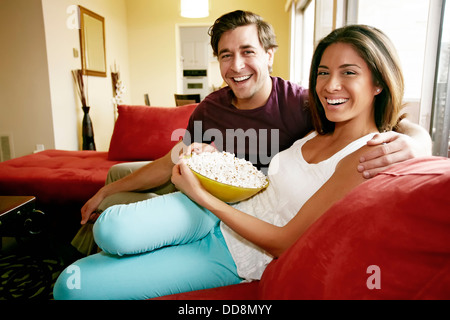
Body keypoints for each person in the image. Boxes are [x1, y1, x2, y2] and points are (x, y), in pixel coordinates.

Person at [55, 24, 409, 300]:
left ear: (378, 81)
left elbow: (284, 243)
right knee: (109, 228)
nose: (331, 86)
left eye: (349, 73)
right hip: (219, 207)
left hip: (238, 250)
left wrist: (414, 141)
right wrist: (206, 164)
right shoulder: (318, 124)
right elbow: (173, 158)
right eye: (323, 72)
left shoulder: (367, 153)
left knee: (71, 286)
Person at [77, 11, 431, 229]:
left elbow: (392, 120)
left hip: (243, 204)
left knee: (113, 212)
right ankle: (84, 235)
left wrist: (418, 143)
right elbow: (173, 159)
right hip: (201, 180)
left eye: (248, 51)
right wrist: (111, 187)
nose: (237, 66)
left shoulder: (305, 103)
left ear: (269, 55)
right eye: (226, 55)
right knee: (115, 174)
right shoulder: (210, 108)